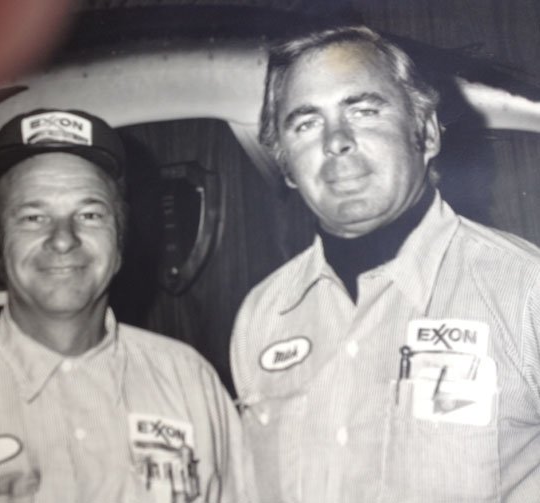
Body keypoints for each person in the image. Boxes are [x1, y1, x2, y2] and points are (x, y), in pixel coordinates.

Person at [0, 108, 249, 503]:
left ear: (120, 237)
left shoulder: (191, 383)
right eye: (34, 217)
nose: (63, 239)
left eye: (89, 214)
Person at [231, 25, 540, 503]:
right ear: (286, 165)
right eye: (306, 123)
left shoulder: (525, 290)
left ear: (427, 132)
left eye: (365, 110)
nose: (337, 140)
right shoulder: (262, 315)